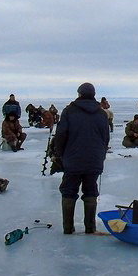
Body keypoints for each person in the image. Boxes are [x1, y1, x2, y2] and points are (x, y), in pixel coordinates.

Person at [54, 83, 110, 234]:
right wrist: (101, 155)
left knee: (68, 191)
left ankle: (68, 229)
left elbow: (60, 135)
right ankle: (90, 228)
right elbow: (106, 138)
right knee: (91, 190)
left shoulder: (69, 111)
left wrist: (59, 155)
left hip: (72, 160)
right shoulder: (101, 113)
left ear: (79, 94)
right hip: (94, 160)